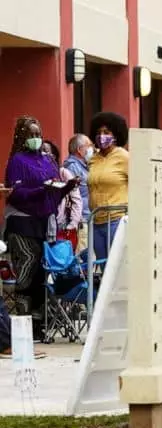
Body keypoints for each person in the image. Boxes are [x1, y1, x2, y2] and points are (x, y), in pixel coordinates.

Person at [4, 116, 80, 340]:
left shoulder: (47, 160)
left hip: (44, 222)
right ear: (22, 137)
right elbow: (15, 193)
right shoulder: (17, 161)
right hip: (22, 223)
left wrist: (66, 188)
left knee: (40, 275)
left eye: (38, 134)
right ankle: (22, 327)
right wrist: (41, 190)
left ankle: (39, 325)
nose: (36, 139)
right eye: (31, 135)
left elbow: (53, 192)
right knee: (27, 271)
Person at [87, 111, 130, 261]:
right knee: (104, 267)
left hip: (117, 219)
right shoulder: (93, 159)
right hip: (96, 220)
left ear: (116, 134)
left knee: (118, 265)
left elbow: (138, 186)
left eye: (106, 132)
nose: (101, 136)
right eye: (98, 132)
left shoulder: (124, 157)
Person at [41, 139, 83, 252]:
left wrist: (73, 224)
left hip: (62, 226)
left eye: (46, 151)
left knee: (60, 259)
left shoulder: (63, 173)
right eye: (40, 151)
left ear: (54, 156)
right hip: (40, 226)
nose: (43, 154)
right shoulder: (37, 175)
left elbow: (76, 200)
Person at [62, 134, 93, 254]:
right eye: (88, 146)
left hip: (87, 217)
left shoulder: (84, 166)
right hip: (81, 220)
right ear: (79, 150)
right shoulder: (72, 167)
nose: (92, 149)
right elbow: (74, 195)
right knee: (82, 255)